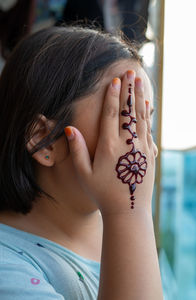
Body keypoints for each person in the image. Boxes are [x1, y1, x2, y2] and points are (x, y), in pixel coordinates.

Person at [0, 25, 163, 299]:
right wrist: (128, 213)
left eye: (148, 125)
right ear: (44, 139)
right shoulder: (7, 270)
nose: (147, 151)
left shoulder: (127, 233)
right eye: (127, 123)